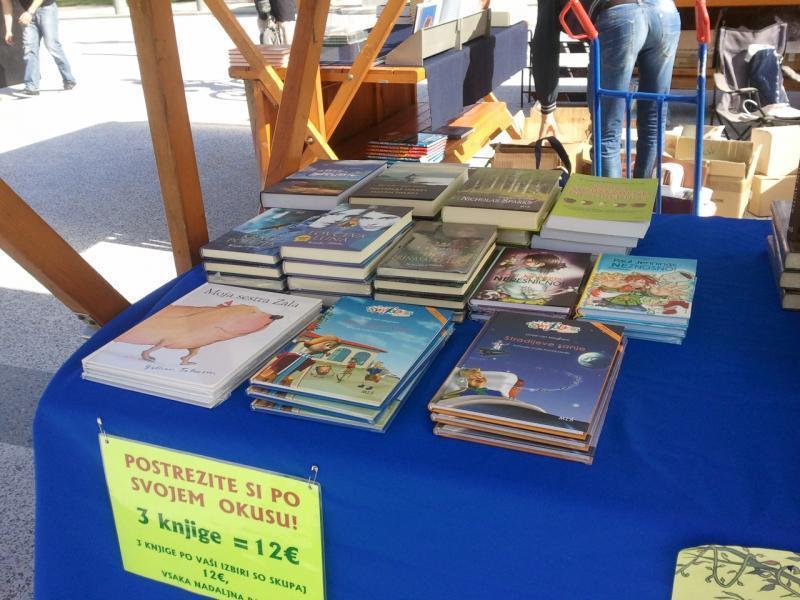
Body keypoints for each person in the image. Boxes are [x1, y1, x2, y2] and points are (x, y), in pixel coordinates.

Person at [532, 0, 680, 178]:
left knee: (606, 134)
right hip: (665, 12)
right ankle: (647, 194)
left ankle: (610, 196)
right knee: (653, 124)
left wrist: (547, 109)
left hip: (622, 15)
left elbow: (545, 42)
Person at [1, 0, 76, 95]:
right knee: (29, 49)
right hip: (26, 13)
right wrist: (8, 30)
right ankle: (31, 87)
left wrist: (29, 13)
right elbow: (7, 5)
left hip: (46, 9)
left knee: (52, 45)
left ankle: (69, 79)